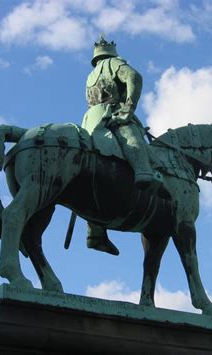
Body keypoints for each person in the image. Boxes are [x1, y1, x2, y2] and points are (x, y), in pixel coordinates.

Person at [81, 35, 160, 256]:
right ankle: (144, 172)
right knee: (131, 137)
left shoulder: (90, 76)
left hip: (89, 121)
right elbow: (134, 77)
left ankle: (94, 232)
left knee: (89, 174)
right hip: (110, 115)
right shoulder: (112, 64)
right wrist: (129, 108)